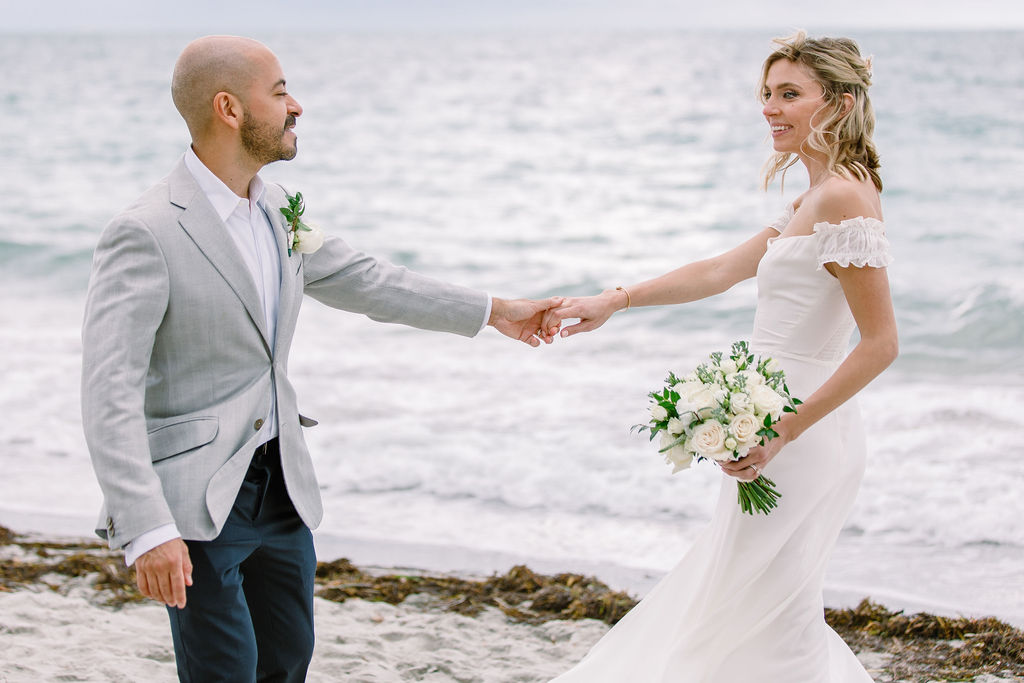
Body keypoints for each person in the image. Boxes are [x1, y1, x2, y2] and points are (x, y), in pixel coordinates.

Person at [80, 35, 560, 682]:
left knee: (286, 664)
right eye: (279, 93)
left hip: (283, 493)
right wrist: (144, 528)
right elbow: (108, 390)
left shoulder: (279, 208)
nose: (296, 106)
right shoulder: (145, 232)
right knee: (225, 670)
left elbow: (371, 280)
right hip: (196, 501)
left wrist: (495, 309)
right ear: (228, 107)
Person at [543, 32, 897, 681]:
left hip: (802, 435)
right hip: (773, 430)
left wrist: (784, 429)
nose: (771, 107)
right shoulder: (810, 200)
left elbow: (881, 345)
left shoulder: (844, 196)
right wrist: (615, 300)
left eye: (790, 93)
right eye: (766, 94)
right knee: (751, 608)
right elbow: (718, 272)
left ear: (840, 103)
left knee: (766, 612)